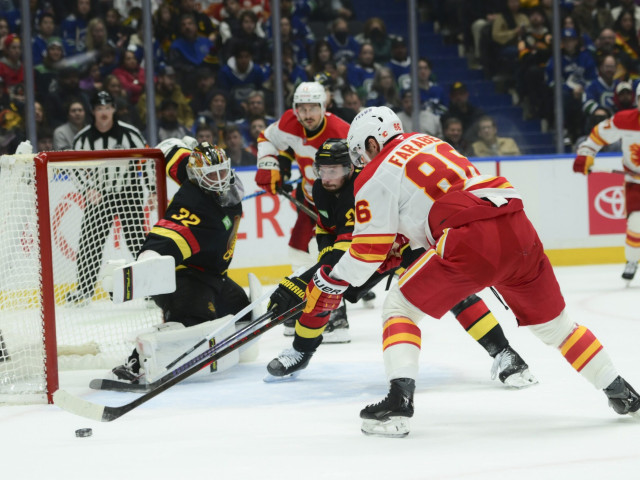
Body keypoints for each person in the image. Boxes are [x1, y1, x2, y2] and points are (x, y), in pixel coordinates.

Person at [298, 106, 639, 437]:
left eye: (360, 152)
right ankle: (620, 391)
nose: (361, 161)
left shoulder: (374, 172)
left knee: (399, 308)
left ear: (373, 142)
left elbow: (366, 252)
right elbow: (424, 207)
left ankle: (398, 404)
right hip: (517, 225)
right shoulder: (429, 141)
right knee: (558, 328)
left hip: (469, 237)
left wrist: (330, 280)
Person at [266, 138, 537, 387]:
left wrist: (304, 280)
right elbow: (326, 228)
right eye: (322, 170)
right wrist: (323, 259)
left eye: (333, 170)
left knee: (458, 295)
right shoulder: (320, 189)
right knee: (325, 289)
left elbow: (351, 246)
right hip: (368, 250)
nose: (326, 177)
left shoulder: (363, 186)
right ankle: (301, 351)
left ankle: (505, 353)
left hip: (404, 245)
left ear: (350, 168)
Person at [111, 139, 250, 383]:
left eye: (221, 171)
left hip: (213, 276)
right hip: (184, 277)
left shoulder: (198, 171)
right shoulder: (194, 206)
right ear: (198, 177)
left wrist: (180, 146)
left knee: (242, 312)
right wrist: (146, 264)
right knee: (192, 321)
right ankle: (136, 363)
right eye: (211, 175)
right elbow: (168, 237)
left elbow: (173, 151)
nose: (219, 179)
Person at [255, 81, 351, 335]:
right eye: (302, 108)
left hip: (337, 202)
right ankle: (301, 304)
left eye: (313, 108)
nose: (307, 115)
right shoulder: (289, 122)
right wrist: (270, 165)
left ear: (323, 107)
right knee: (298, 251)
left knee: (327, 255)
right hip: (310, 197)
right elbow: (267, 138)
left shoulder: (341, 132)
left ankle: (334, 313)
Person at [66, 90, 151, 303]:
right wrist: (87, 189)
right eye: (99, 108)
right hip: (99, 196)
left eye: (107, 108)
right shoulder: (83, 138)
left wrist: (153, 189)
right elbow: (74, 168)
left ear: (114, 109)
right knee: (89, 243)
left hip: (128, 194)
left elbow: (148, 160)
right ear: (93, 111)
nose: (104, 112)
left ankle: (151, 287)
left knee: (137, 241)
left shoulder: (130, 134)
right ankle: (84, 290)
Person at [574, 83, 640, 282]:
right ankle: (632, 260)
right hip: (635, 181)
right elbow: (597, 135)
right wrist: (586, 153)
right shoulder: (624, 120)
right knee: (637, 223)